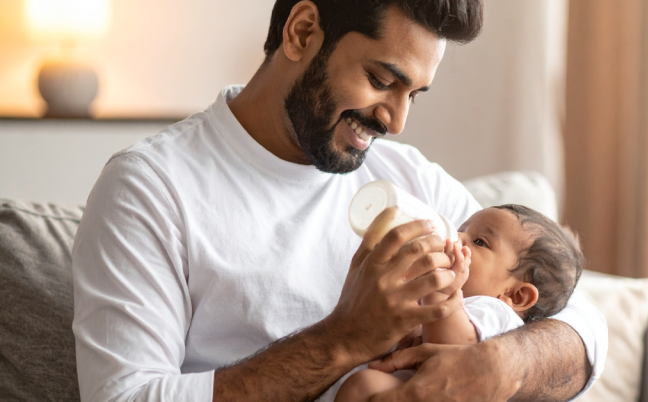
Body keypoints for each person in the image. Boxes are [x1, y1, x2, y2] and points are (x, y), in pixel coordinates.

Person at [71, 1, 607, 401]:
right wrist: (345, 337)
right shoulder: (151, 189)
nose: (396, 121)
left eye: (413, 95)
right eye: (381, 80)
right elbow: (124, 396)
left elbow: (582, 320)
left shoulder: (405, 175)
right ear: (302, 32)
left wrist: (499, 368)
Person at [335, 204, 585, 402]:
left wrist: (442, 290)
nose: (457, 237)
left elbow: (454, 350)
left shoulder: (497, 311)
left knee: (364, 386)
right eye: (461, 229)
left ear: (516, 295)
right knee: (365, 386)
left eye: (480, 242)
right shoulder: (463, 303)